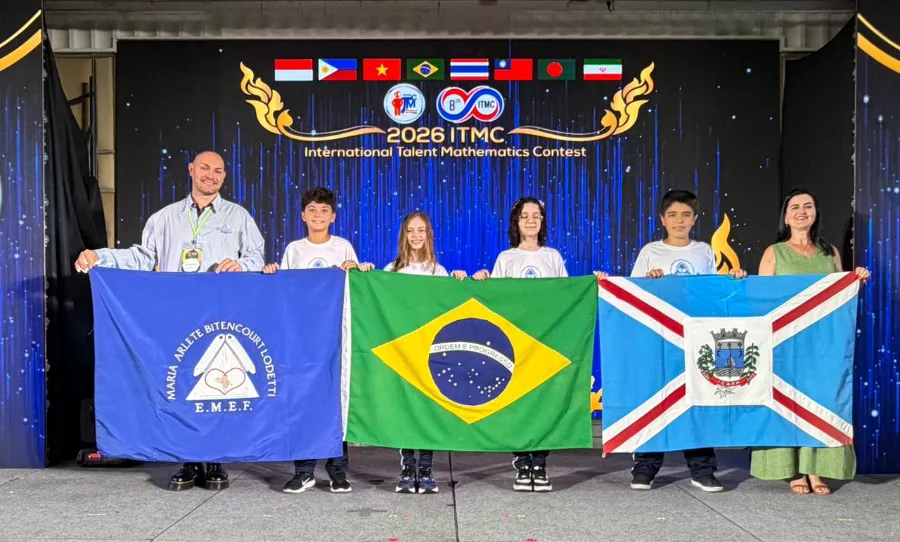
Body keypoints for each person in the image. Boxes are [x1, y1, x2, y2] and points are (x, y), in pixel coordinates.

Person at [74, 150, 266, 491]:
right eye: (204, 168)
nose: (211, 175)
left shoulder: (239, 217)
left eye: (218, 170)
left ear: (224, 176)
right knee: (184, 386)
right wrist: (98, 255)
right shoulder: (164, 219)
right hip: (177, 315)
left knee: (216, 388)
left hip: (220, 315)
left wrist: (242, 265)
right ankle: (189, 459)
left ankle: (216, 460)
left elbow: (256, 256)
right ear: (191, 170)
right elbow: (142, 257)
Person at [623, 189, 746, 493]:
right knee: (657, 398)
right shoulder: (650, 251)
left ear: (695, 219)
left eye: (686, 215)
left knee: (698, 398)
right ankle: (646, 466)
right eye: (673, 215)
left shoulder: (704, 250)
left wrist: (734, 278)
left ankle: (702, 468)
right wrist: (648, 281)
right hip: (660, 337)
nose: (680, 221)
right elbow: (633, 293)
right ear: (663, 219)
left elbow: (714, 292)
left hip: (696, 337)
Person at [751, 188, 869, 495]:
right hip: (786, 345)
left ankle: (818, 469)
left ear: (816, 212)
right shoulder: (773, 253)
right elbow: (760, 302)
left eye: (808, 206)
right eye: (795, 207)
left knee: (822, 402)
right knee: (788, 402)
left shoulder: (829, 252)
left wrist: (855, 279)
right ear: (786, 216)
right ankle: (793, 469)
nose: (802, 211)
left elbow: (839, 298)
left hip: (823, 347)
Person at [263, 186, 372, 494]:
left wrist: (357, 269)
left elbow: (357, 288)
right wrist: (273, 272)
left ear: (333, 216)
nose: (318, 216)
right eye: (312, 210)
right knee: (303, 400)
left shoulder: (343, 247)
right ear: (303, 215)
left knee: (337, 401)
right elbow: (284, 291)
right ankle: (304, 470)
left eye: (324, 211)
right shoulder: (295, 250)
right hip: (302, 337)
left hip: (336, 334)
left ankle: (338, 470)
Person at [472, 196, 565, 492]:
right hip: (515, 344)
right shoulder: (506, 258)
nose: (530, 220)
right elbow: (498, 300)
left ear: (542, 221)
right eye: (525, 215)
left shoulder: (552, 257)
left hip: (544, 341)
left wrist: (592, 282)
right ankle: (522, 463)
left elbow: (566, 295)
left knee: (542, 403)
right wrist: (484, 282)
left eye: (536, 215)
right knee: (519, 403)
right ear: (516, 221)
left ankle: (540, 462)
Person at [379, 211, 467, 494]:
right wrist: (367, 274)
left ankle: (426, 468)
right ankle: (407, 468)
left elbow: (447, 309)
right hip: (403, 353)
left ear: (429, 235)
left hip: (430, 353)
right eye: (410, 231)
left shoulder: (437, 271)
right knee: (406, 408)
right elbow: (378, 301)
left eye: (421, 230)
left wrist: (458, 282)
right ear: (403, 235)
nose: (416, 236)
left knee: (428, 409)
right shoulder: (392, 270)